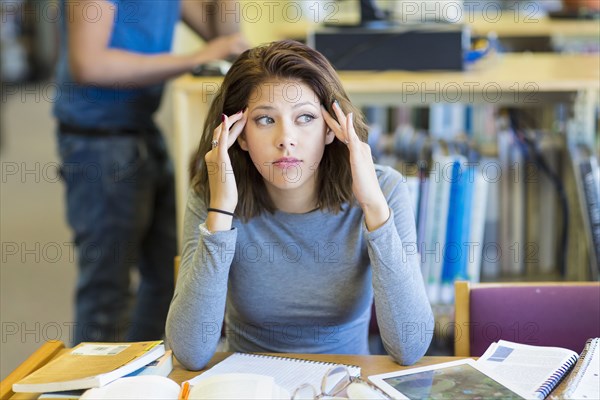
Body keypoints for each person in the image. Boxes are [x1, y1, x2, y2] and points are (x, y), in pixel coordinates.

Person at [166, 40, 434, 370]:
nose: (286, 139)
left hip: (344, 385)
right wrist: (221, 212)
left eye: (305, 117)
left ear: (331, 128)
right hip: (249, 386)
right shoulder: (213, 193)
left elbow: (410, 347)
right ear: (240, 135)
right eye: (266, 120)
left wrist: (373, 207)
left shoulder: (385, 189)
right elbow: (190, 352)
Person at [54, 0, 248, 344]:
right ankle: (86, 391)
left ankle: (135, 380)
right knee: (107, 293)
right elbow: (89, 63)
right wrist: (199, 56)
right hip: (99, 141)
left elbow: (224, 37)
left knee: (168, 277)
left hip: (142, 132)